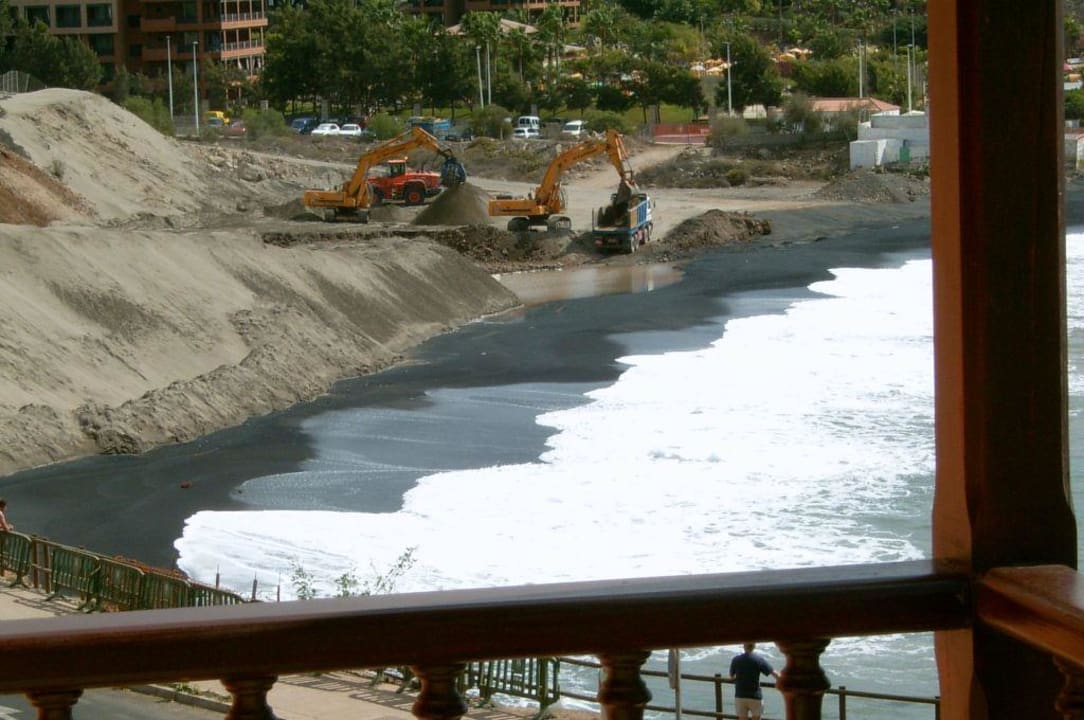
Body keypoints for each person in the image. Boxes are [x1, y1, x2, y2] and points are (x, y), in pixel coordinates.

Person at [729, 642, 780, 720]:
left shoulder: (736, 659)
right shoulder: (759, 659)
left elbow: (731, 677)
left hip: (740, 695)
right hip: (755, 696)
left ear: (744, 646)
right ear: (754, 647)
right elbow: (775, 674)